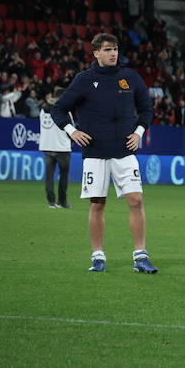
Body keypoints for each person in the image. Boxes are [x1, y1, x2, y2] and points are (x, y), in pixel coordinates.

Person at [49, 33, 158, 273]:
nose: (113, 53)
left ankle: (140, 255)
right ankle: (98, 256)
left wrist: (139, 132)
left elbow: (147, 109)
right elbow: (58, 109)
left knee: (136, 200)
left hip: (124, 151)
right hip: (95, 153)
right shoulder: (84, 80)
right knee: (97, 204)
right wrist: (71, 131)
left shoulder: (130, 77)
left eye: (116, 48)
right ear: (96, 53)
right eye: (108, 49)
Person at [39, 86, 73, 208]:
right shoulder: (64, 110)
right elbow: (71, 130)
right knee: (64, 175)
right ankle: (62, 202)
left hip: (47, 147)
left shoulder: (43, 110)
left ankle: (51, 202)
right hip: (62, 147)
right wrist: (72, 142)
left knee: (49, 176)